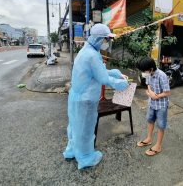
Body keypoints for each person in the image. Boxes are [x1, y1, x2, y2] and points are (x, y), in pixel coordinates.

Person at [63, 24, 128, 169]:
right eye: (106, 39)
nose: (107, 42)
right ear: (99, 39)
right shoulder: (92, 55)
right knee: (85, 130)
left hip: (76, 96)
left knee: (75, 127)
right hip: (85, 100)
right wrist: (121, 83)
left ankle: (72, 151)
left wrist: (114, 72)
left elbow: (98, 70)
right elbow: (103, 78)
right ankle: (85, 158)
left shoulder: (87, 50)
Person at [137, 57, 170, 156]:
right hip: (152, 103)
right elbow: (148, 85)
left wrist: (156, 96)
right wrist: (150, 92)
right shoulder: (149, 74)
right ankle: (149, 139)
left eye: (144, 70)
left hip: (161, 105)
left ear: (151, 69)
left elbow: (167, 92)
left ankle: (158, 146)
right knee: (150, 120)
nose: (143, 73)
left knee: (161, 125)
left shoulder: (162, 76)